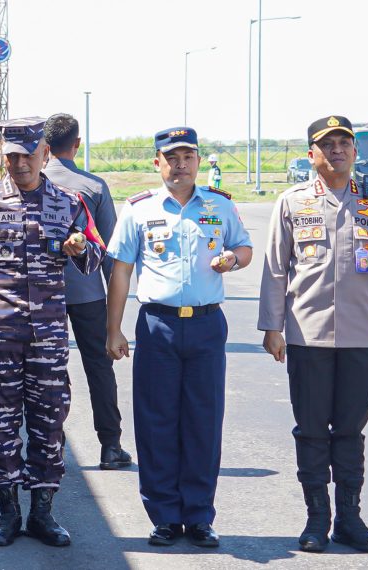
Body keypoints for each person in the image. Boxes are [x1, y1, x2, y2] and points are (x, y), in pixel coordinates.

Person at [0, 116, 103, 548]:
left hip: (47, 335)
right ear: (3, 157)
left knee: (49, 421)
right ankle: (7, 513)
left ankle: (43, 514)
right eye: (11, 156)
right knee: (1, 421)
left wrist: (80, 247)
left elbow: (94, 258)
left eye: (27, 156)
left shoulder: (68, 202)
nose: (19, 164)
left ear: (45, 154)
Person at [257, 115, 368, 554]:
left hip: (361, 335)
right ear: (312, 155)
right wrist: (272, 326)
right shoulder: (292, 202)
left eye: (345, 143)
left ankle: (350, 519)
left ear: (355, 151)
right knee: (310, 431)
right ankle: (316, 519)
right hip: (308, 335)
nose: (337, 150)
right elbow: (275, 268)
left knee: (350, 430)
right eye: (328, 144)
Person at [105, 126, 252, 549]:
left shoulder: (220, 206)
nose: (181, 165)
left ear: (199, 161)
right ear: (158, 163)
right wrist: (112, 329)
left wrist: (232, 260)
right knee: (157, 422)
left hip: (206, 325)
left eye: (188, 156)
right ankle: (165, 515)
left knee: (203, 422)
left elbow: (244, 248)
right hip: (158, 325)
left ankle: (200, 515)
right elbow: (121, 271)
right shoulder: (138, 210)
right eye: (172, 157)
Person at [40, 113, 130, 470]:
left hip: (43, 294)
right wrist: (115, 323)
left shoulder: (34, 183)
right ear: (77, 144)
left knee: (48, 372)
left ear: (44, 146)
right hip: (88, 292)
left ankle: (53, 446)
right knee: (99, 368)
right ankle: (110, 446)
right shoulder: (93, 186)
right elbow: (109, 253)